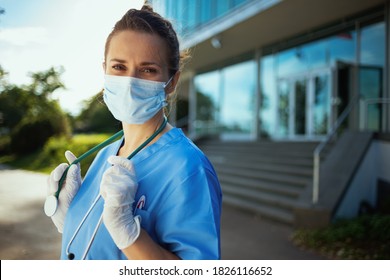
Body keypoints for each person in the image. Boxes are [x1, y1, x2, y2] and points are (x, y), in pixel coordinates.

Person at [45, 3, 222, 260]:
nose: (129, 82)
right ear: (104, 69)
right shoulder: (104, 154)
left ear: (171, 82)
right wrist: (70, 217)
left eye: (148, 70)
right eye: (118, 67)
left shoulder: (189, 169)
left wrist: (130, 234)